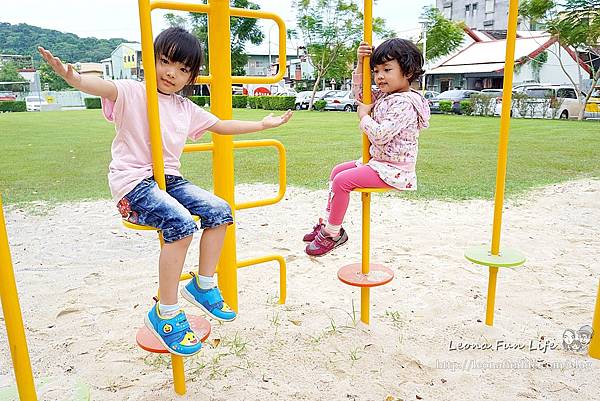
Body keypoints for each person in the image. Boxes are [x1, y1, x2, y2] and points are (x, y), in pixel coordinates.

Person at [38, 27, 292, 356]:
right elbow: (98, 85)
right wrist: (71, 77)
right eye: (166, 61)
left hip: (168, 179)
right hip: (133, 183)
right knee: (182, 224)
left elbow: (220, 125)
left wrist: (261, 125)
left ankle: (202, 284)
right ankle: (166, 312)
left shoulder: (185, 108)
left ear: (191, 76)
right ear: (151, 60)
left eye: (184, 69)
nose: (172, 73)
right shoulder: (132, 91)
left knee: (221, 211)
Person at [304, 38, 430, 256]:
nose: (380, 76)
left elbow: (381, 135)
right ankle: (328, 223)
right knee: (337, 171)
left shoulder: (404, 103)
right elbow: (359, 93)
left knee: (343, 181)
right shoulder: (387, 95)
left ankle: (333, 234)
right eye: (376, 70)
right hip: (379, 162)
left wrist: (363, 116)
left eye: (387, 70)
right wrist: (360, 62)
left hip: (394, 170)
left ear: (408, 72)